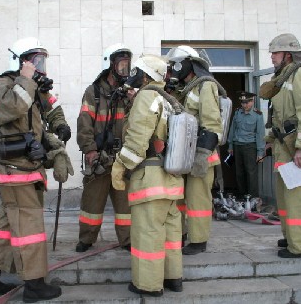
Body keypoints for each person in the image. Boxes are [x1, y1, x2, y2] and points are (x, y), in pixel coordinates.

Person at [0, 37, 73, 302]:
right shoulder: (0, 86)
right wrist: (27, 79)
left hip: (26, 169)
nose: (39, 66)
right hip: (13, 170)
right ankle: (34, 286)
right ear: (19, 61)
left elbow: (51, 107)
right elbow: (13, 108)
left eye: (41, 60)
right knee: (29, 227)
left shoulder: (32, 88)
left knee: (4, 226)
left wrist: (61, 126)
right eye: (34, 60)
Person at [111, 54, 184, 296]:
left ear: (145, 75)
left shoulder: (146, 97)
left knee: (148, 234)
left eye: (137, 71)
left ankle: (148, 285)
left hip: (150, 180)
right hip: (172, 179)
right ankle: (173, 278)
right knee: (171, 234)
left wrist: (120, 166)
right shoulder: (167, 99)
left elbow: (138, 139)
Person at [259, 33, 301, 258]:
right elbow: (279, 116)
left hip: (298, 149)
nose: (272, 57)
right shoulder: (284, 77)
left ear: (288, 55)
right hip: (285, 147)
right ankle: (292, 235)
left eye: (276, 53)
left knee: (299, 198)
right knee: (285, 197)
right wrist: (269, 142)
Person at [165, 46, 223, 255]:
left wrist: (202, 155)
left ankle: (199, 240)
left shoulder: (205, 86)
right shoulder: (185, 88)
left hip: (201, 155)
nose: (172, 69)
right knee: (180, 198)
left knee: (198, 199)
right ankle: (180, 233)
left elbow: (212, 124)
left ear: (187, 63)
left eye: (175, 64)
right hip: (184, 156)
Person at [75, 44, 133, 252]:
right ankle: (87, 239)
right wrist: (90, 151)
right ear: (110, 65)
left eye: (127, 66)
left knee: (125, 205)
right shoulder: (93, 93)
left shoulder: (129, 95)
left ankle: (127, 240)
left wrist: (133, 100)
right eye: (121, 66)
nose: (125, 71)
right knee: (92, 203)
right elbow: (84, 124)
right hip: (99, 158)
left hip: (122, 160)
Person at [227, 91, 265, 199]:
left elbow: (260, 134)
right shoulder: (238, 112)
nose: (244, 105)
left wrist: (260, 152)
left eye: (247, 103)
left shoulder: (258, 115)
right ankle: (241, 197)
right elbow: (232, 129)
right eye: (242, 103)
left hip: (250, 147)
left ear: (252, 101)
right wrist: (230, 145)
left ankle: (253, 199)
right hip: (237, 145)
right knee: (239, 173)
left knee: (251, 173)